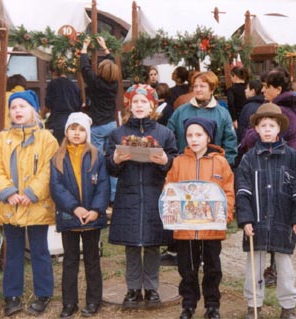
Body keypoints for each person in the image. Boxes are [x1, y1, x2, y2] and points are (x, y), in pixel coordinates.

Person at [0, 90, 59, 317]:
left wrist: (32, 192)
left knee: (39, 250)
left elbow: (50, 168)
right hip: (10, 206)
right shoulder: (0, 140)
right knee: (14, 252)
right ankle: (12, 295)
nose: (18, 111)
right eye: (14, 107)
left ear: (33, 110)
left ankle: (43, 293)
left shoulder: (47, 139)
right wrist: (7, 193)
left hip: (36, 205)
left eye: (22, 106)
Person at [235, 103, 296, 319]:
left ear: (279, 129)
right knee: (254, 265)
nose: (267, 129)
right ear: (256, 129)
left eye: (272, 125)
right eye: (263, 125)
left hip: (283, 220)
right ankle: (254, 304)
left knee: (284, 266)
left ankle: (288, 306)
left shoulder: (292, 157)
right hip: (256, 222)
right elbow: (242, 190)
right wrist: (246, 219)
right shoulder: (249, 159)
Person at [106, 84, 178, 309]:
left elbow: (173, 159)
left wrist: (165, 162)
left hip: (154, 193)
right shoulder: (118, 133)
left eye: (144, 102)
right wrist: (115, 160)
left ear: (152, 106)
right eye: (135, 102)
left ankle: (152, 288)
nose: (139, 106)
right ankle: (133, 288)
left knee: (153, 243)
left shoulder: (164, 133)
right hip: (128, 194)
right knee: (132, 245)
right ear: (128, 104)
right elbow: (109, 165)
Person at [165, 117, 235, 319]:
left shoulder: (220, 163)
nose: (194, 139)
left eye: (199, 135)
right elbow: (169, 189)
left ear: (208, 137)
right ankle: (188, 304)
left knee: (213, 267)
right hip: (185, 229)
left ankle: (212, 304)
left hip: (211, 227)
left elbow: (228, 192)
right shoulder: (178, 162)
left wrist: (226, 214)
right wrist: (171, 209)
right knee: (187, 268)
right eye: (189, 135)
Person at [50, 112, 109, 318]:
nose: (77, 133)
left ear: (88, 133)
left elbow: (103, 185)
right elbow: (56, 188)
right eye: (73, 128)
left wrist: (95, 210)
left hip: (92, 218)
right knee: (70, 261)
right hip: (70, 217)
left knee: (92, 260)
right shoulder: (57, 157)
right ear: (66, 131)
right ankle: (69, 302)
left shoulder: (96, 156)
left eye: (81, 129)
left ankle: (94, 301)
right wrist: (75, 208)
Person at [167, 71, 238, 166]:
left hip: (213, 167)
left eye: (202, 86)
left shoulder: (222, 113)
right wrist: (176, 161)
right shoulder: (181, 111)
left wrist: (224, 164)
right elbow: (170, 136)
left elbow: (230, 142)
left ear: (211, 89)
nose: (198, 89)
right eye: (195, 86)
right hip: (185, 166)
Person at [80, 36, 119, 205]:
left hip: (97, 126)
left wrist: (84, 47)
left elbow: (85, 68)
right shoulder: (115, 84)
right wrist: (106, 48)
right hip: (111, 124)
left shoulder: (95, 83)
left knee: (95, 161)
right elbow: (111, 64)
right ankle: (113, 195)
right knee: (112, 160)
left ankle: (96, 194)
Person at [43, 67, 82, 144]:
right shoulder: (74, 86)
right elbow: (79, 106)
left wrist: (41, 115)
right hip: (72, 122)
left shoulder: (53, 84)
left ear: (53, 72)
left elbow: (48, 104)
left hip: (57, 122)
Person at [236, 79, 265, 143]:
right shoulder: (265, 104)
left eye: (247, 88)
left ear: (253, 91)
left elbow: (242, 128)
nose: (245, 90)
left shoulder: (248, 107)